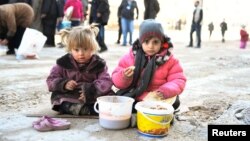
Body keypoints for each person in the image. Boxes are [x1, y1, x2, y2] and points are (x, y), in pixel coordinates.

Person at [112, 19, 186, 112]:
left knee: (175, 102)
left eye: (155, 42)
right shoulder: (130, 57)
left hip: (158, 97)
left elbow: (178, 80)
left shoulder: (170, 60)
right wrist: (124, 76)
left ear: (162, 43)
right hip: (138, 95)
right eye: (146, 42)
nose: (150, 46)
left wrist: (164, 91)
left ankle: (143, 111)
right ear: (140, 42)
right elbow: (116, 79)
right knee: (125, 102)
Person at [46, 26, 114, 116]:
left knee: (110, 97)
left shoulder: (99, 64)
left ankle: (89, 109)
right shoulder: (63, 63)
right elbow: (51, 80)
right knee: (60, 100)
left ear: (92, 48)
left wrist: (91, 91)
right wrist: (64, 84)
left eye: (85, 49)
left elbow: (106, 81)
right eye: (76, 50)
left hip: (92, 96)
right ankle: (85, 109)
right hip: (70, 96)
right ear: (70, 49)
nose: (81, 54)